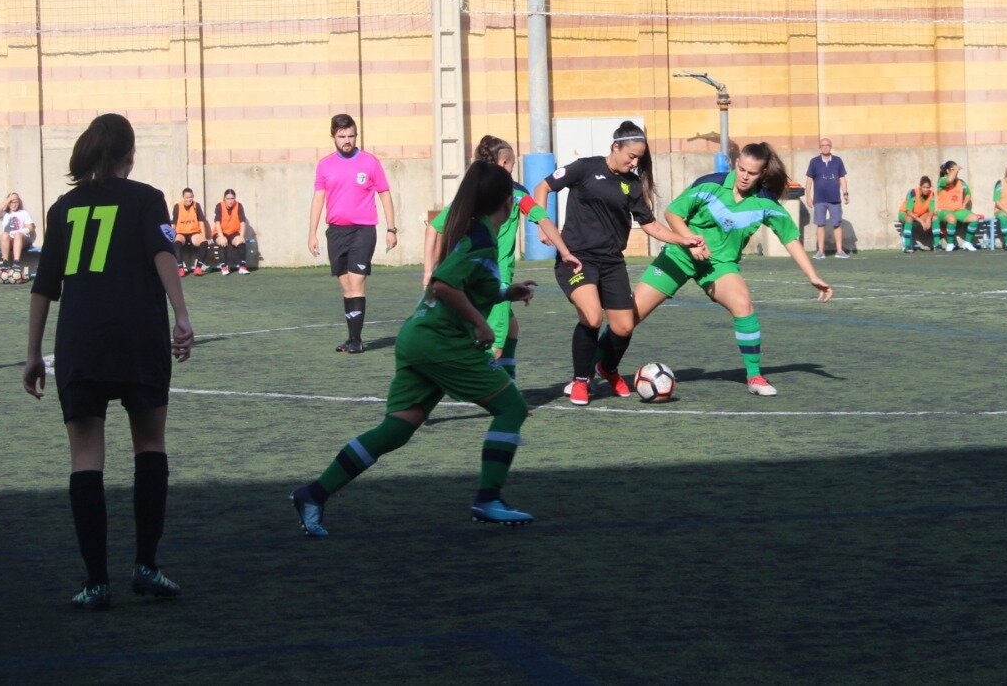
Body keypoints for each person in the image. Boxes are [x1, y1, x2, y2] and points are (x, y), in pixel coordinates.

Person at [291, 160, 541, 535]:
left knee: (397, 429)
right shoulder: (483, 239)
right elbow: (442, 285)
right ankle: (489, 498)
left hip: (419, 337)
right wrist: (480, 323)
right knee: (512, 408)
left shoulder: (473, 233)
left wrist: (506, 291)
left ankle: (313, 493)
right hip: (442, 342)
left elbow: (467, 282)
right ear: (506, 201)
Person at [22, 113, 195, 611]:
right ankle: (146, 566)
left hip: (81, 342)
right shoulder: (146, 198)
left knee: (85, 458)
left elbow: (43, 287)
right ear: (130, 155)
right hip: (138, 336)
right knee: (149, 445)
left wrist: (34, 354)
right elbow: (164, 254)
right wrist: (181, 314)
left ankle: (96, 582)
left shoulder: (63, 208)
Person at [631, 142, 832, 396]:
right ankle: (595, 370)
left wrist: (812, 275)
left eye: (752, 173)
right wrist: (690, 242)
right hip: (680, 254)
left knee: (744, 305)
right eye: (742, 169)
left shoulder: (764, 202)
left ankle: (755, 377)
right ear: (736, 164)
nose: (745, 176)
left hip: (719, 265)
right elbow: (673, 214)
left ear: (762, 174)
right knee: (628, 318)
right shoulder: (710, 184)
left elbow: (790, 238)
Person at [530, 120, 704, 407]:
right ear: (615, 146)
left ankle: (607, 369)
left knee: (624, 327)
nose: (634, 163)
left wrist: (681, 239)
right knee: (592, 316)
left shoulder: (632, 185)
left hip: (612, 262)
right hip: (576, 258)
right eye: (631, 156)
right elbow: (543, 186)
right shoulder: (584, 168)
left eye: (639, 158)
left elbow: (650, 225)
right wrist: (541, 224)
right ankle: (580, 380)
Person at [423, 135, 579, 388]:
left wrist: (429, 271)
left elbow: (433, 228)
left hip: (473, 276)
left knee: (511, 330)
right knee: (493, 347)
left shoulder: (474, 195)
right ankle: (453, 381)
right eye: (512, 165)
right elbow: (543, 218)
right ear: (504, 163)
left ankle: (509, 387)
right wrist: (565, 252)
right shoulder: (515, 193)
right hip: (494, 278)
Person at [308, 113, 397, 354]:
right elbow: (318, 199)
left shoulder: (370, 162)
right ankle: (352, 338)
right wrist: (312, 233)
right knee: (346, 285)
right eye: (342, 136)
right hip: (336, 232)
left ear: (356, 135)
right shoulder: (325, 165)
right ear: (333, 137)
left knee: (357, 281)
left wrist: (391, 228)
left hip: (362, 230)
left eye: (351, 135)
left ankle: (357, 340)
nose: (347, 140)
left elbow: (385, 193)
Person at [804, 137, 851, 259]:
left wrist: (845, 194)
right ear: (820, 148)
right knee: (820, 224)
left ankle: (840, 251)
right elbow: (809, 180)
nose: (825, 147)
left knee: (837, 224)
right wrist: (808, 196)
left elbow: (842, 178)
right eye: (822, 145)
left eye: (827, 145)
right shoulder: (814, 162)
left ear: (830, 147)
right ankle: (820, 251)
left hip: (835, 199)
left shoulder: (837, 161)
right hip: (819, 199)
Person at [933, 161, 986, 252]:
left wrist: (964, 204)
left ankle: (967, 242)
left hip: (958, 210)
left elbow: (968, 194)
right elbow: (949, 180)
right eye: (953, 170)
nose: (956, 171)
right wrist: (956, 169)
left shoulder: (961, 182)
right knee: (951, 218)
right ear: (947, 171)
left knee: (974, 218)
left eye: (956, 170)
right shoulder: (942, 180)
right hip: (943, 210)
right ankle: (950, 244)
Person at [0, 191, 37, 283]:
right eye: (11, 201)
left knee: (17, 235)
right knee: (4, 235)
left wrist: (19, 232)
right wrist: (9, 199)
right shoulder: (4, 214)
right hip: (8, 241)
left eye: (16, 201)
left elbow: (31, 227)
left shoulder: (23, 213)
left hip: (22, 240)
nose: (14, 204)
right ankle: (5, 262)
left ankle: (16, 262)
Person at [210, 189, 252, 275]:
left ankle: (242, 267)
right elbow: (217, 222)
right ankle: (224, 267)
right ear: (224, 199)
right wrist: (221, 236)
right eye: (228, 198)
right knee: (222, 241)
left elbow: (242, 222)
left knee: (241, 242)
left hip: (233, 232)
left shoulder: (239, 206)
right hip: (220, 232)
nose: (230, 201)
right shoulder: (219, 206)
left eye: (232, 198)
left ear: (235, 198)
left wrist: (241, 236)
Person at [170, 188, 208, 277]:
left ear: (193, 196)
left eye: (190, 197)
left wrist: (204, 236)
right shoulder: (177, 206)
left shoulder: (196, 206)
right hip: (181, 233)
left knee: (204, 243)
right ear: (183, 197)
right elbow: (173, 223)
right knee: (176, 243)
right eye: (186, 197)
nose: (188, 199)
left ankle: (198, 268)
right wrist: (172, 236)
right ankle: (180, 268)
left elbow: (201, 222)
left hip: (193, 233)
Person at [899, 176, 937, 253]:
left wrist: (929, 219)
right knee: (909, 218)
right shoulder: (912, 192)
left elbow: (931, 210)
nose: (926, 189)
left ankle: (937, 245)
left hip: (918, 215)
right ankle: (907, 246)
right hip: (905, 214)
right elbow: (909, 211)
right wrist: (922, 222)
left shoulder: (931, 194)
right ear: (920, 187)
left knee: (935, 217)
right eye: (924, 187)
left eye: (928, 187)